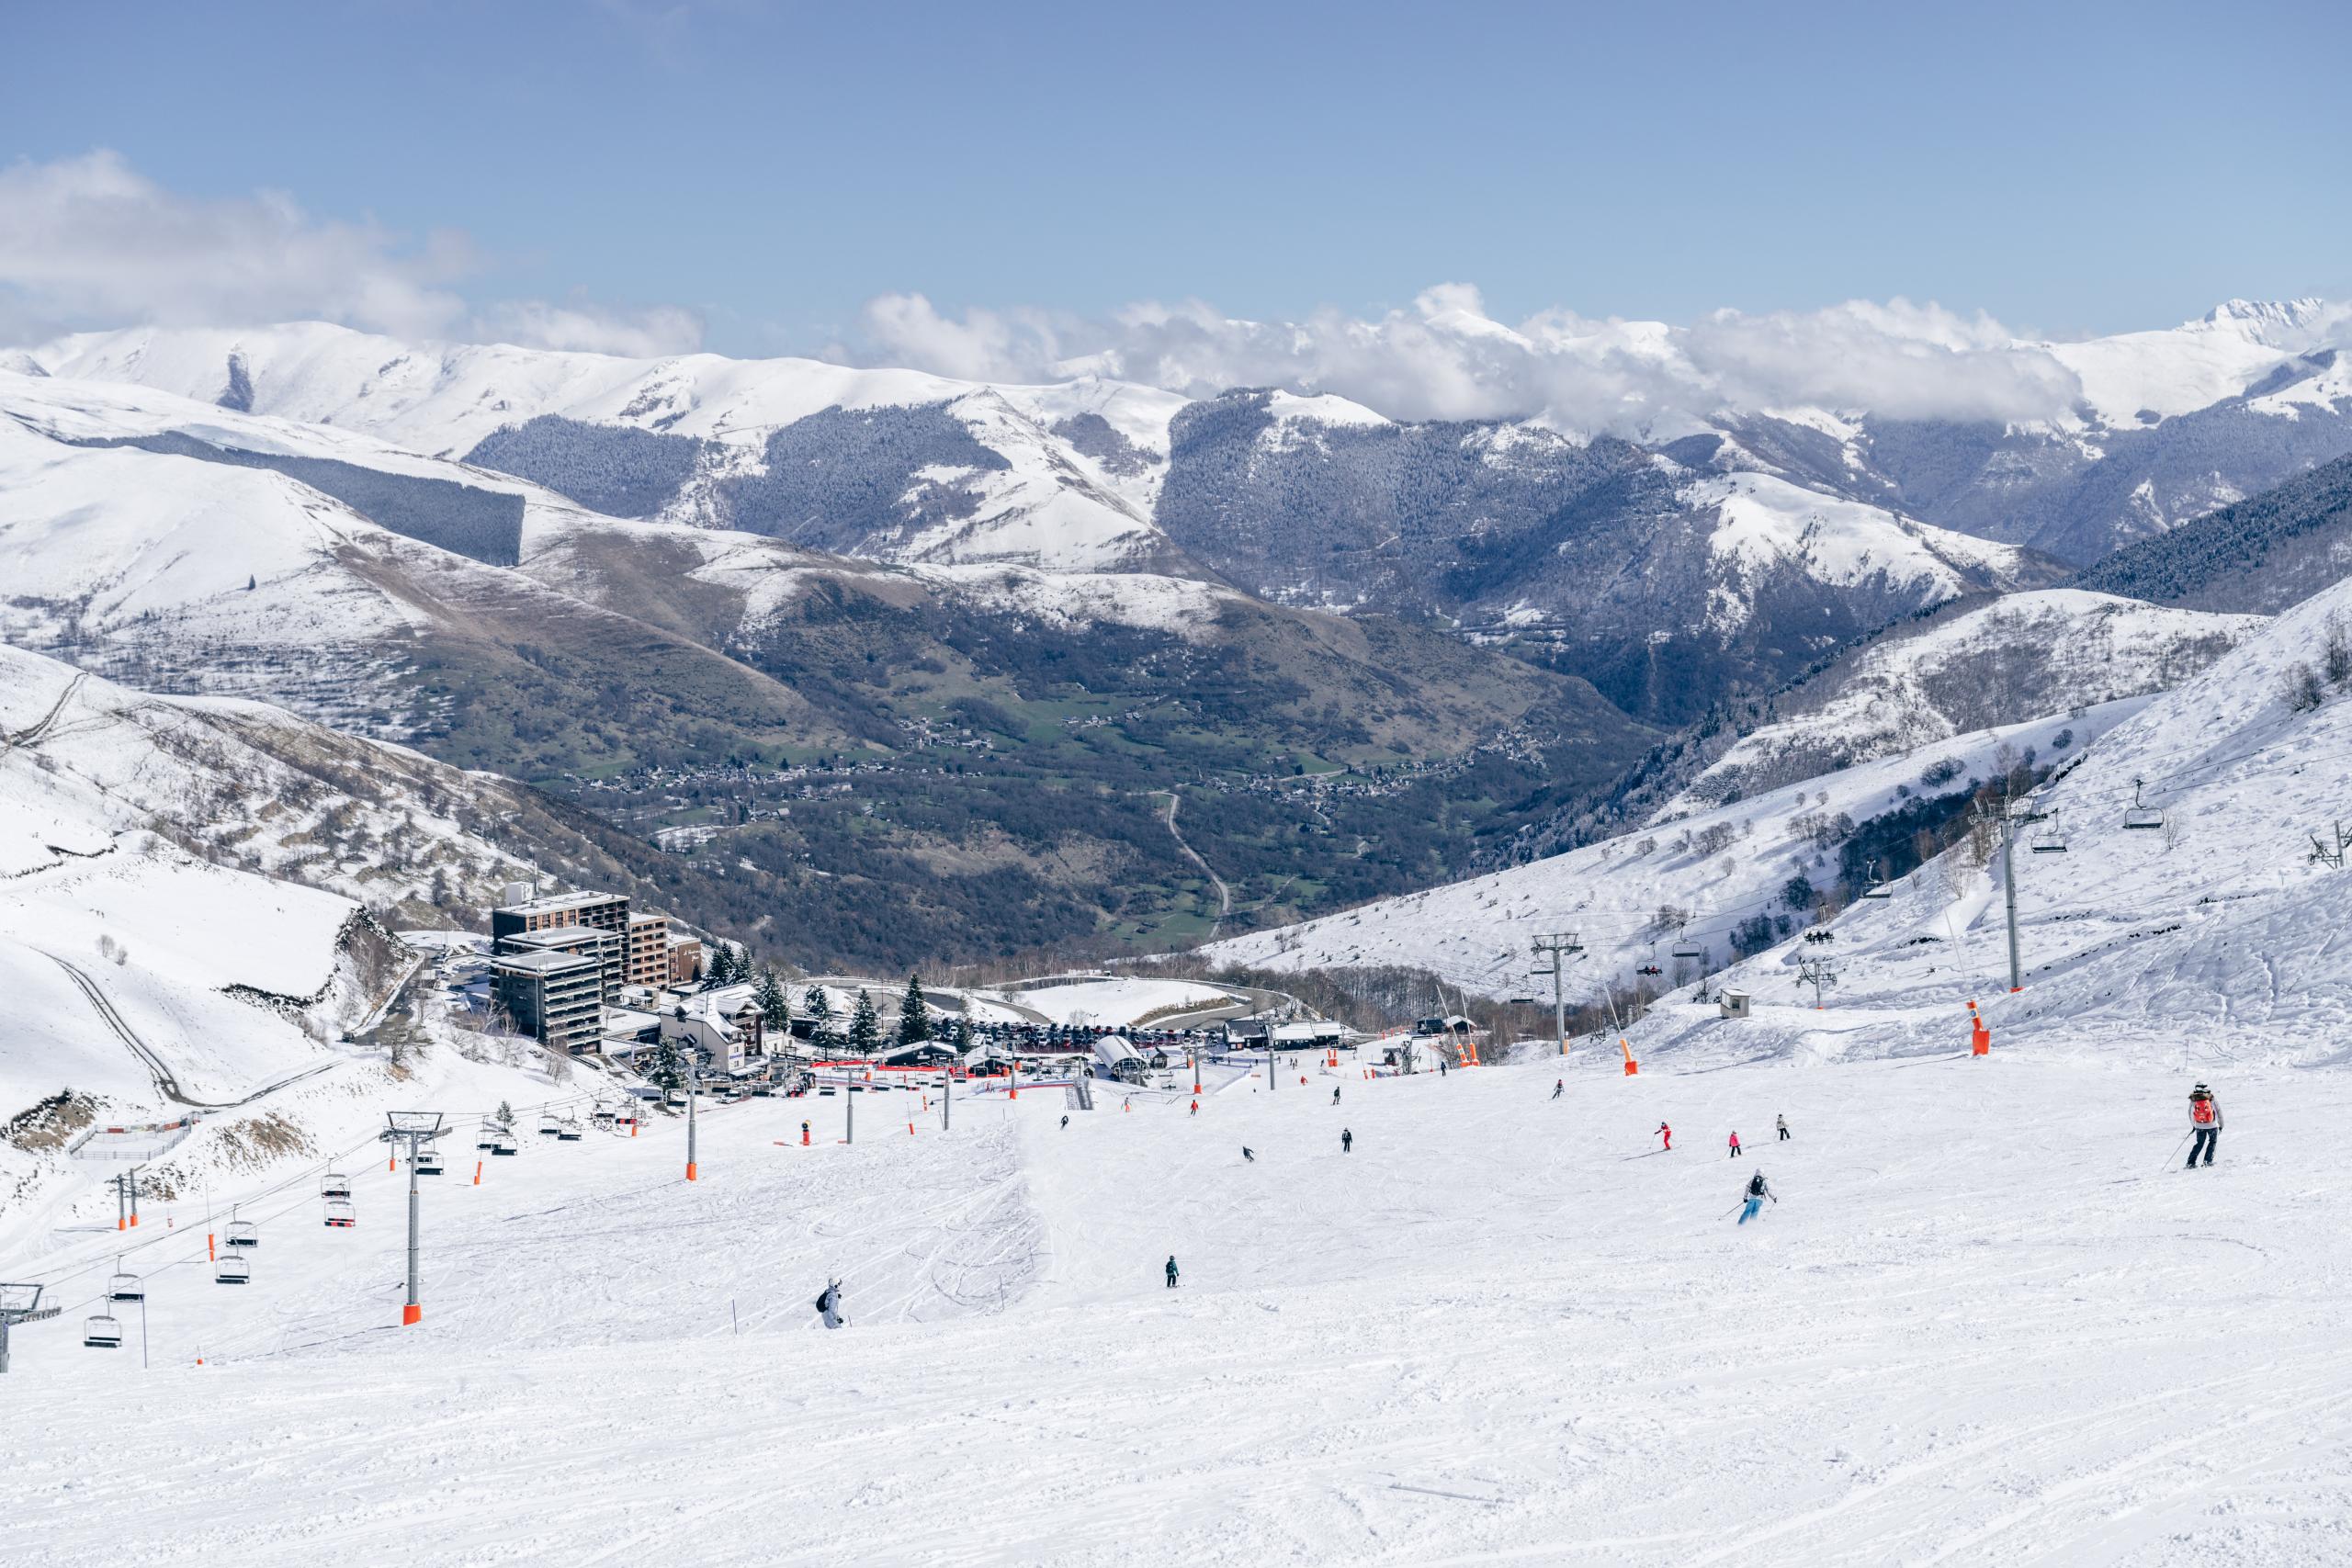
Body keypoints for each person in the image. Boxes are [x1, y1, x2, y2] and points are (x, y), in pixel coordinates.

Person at [2187, 1083, 2222, 1168]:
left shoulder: (2194, 1100)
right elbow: (2219, 1112)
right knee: (2212, 1142)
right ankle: (2207, 1161)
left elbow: (2191, 1114)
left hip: (2199, 1125)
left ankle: (2191, 1163)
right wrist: (2221, 1125)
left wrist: (2194, 1125)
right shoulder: (2211, 1098)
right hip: (2212, 1125)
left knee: (2199, 1143)